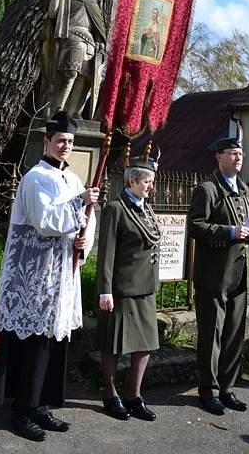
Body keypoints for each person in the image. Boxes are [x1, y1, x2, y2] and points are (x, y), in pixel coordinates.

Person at [0, 110, 99, 441]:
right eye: (61, 140)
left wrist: (85, 239)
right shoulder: (34, 178)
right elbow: (45, 221)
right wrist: (80, 203)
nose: (66, 146)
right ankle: (22, 410)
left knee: (54, 341)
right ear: (47, 141)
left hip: (62, 276)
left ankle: (41, 406)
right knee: (34, 344)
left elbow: (89, 221)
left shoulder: (73, 179)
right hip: (33, 281)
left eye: (70, 141)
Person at [187, 137, 249, 416]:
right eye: (233, 153)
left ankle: (227, 388)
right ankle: (207, 390)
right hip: (213, 274)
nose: (238, 157)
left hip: (239, 274)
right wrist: (229, 232)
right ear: (218, 157)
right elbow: (195, 226)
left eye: (241, 153)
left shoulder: (243, 191)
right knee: (212, 333)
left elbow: (246, 224)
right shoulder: (207, 189)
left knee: (234, 333)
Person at [95, 157, 161, 422]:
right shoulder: (116, 208)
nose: (151, 187)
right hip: (121, 288)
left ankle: (134, 395)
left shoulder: (146, 208)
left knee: (144, 344)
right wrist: (104, 290)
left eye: (152, 182)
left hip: (145, 288)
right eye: (147, 182)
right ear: (132, 180)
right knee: (113, 343)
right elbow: (106, 254)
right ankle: (110, 394)